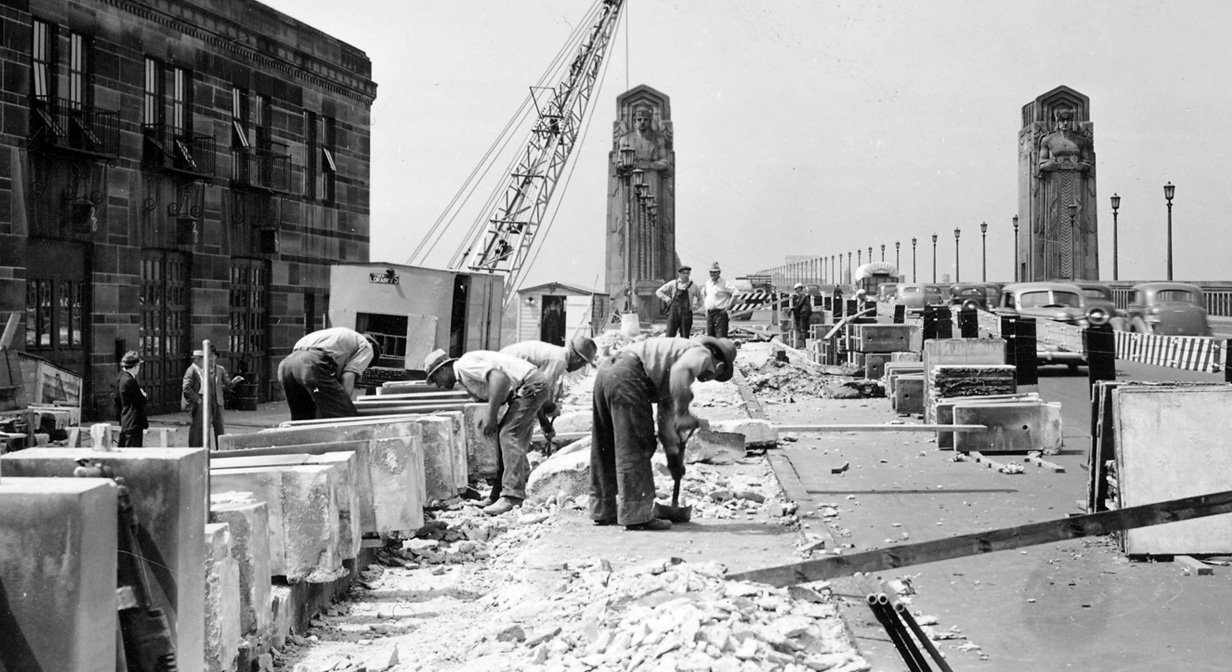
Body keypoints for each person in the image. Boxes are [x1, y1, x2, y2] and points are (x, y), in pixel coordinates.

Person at [590, 335, 737, 531]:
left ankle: (603, 508)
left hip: (608, 371)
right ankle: (637, 515)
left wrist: (673, 457)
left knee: (604, 443)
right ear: (718, 368)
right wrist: (684, 412)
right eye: (712, 377)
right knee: (637, 444)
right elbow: (680, 372)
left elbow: (665, 419)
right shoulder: (701, 353)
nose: (704, 379)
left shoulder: (672, 358)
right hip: (629, 374)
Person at [424, 348, 551, 516]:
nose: (438, 385)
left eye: (435, 378)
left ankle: (513, 496)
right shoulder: (466, 379)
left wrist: (491, 416)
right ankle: (498, 494)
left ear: (443, 369)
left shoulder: (464, 365)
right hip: (530, 387)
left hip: (529, 386)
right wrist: (545, 423)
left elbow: (501, 379)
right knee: (502, 437)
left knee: (508, 436)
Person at [500, 335, 598, 448]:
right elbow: (538, 393)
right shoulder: (558, 361)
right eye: (584, 363)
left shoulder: (556, 354)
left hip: (508, 375)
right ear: (579, 359)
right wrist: (548, 413)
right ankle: (515, 464)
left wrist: (545, 420)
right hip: (503, 376)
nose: (582, 366)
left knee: (520, 430)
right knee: (515, 433)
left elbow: (538, 392)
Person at [278, 327, 381, 421]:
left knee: (303, 420)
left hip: (287, 366)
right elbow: (348, 377)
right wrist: (344, 404)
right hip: (311, 364)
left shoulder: (339, 336)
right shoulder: (367, 347)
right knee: (345, 418)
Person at [183, 346, 243, 448]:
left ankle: (220, 447)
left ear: (216, 357)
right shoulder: (198, 370)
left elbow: (227, 383)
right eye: (207, 357)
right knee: (202, 426)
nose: (209, 359)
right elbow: (189, 387)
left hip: (217, 401)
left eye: (211, 356)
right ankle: (203, 448)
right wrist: (197, 399)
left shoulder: (220, 369)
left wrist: (234, 382)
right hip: (205, 401)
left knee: (219, 426)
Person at [655, 265, 703, 338]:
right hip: (673, 313)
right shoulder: (673, 283)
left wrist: (695, 307)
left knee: (684, 337)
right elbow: (658, 292)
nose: (686, 275)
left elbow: (701, 299)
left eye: (688, 273)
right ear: (679, 274)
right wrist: (666, 298)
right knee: (669, 336)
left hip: (686, 314)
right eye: (684, 273)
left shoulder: (693, 286)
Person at [113, 351, 148, 447]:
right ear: (136, 366)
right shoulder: (130, 381)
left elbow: (116, 398)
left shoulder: (122, 377)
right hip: (133, 423)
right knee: (133, 454)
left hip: (126, 421)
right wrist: (143, 395)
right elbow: (140, 402)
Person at [703, 262, 737, 338]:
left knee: (720, 337)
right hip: (709, 314)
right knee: (711, 338)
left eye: (715, 272)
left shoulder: (725, 283)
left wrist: (729, 305)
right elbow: (704, 293)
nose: (713, 274)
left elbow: (736, 292)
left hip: (720, 313)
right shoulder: (708, 283)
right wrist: (706, 308)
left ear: (719, 272)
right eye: (711, 272)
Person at [789, 283, 813, 348]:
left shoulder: (802, 295)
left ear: (800, 288)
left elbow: (799, 304)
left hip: (804, 313)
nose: (795, 291)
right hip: (805, 313)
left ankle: (804, 345)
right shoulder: (802, 295)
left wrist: (793, 308)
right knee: (804, 329)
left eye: (796, 289)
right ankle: (805, 344)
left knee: (803, 329)